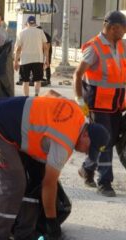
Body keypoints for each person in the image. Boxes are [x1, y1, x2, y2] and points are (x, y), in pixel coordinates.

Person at [0, 91, 110, 240]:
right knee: (15, 183)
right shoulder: (65, 142)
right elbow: (49, 185)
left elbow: (50, 93)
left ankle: (23, 232)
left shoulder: (76, 111)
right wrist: (52, 222)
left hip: (3, 111)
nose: (86, 153)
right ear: (86, 135)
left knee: (34, 180)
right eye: (89, 148)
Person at [73, 10, 126, 197]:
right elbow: (78, 74)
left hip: (116, 104)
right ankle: (105, 182)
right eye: (123, 29)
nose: (125, 33)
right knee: (105, 143)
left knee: (107, 141)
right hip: (98, 104)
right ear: (114, 28)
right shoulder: (93, 47)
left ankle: (87, 169)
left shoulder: (121, 45)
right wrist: (79, 101)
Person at [14, 16, 49, 97]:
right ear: (35, 23)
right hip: (38, 59)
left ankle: (26, 97)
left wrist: (15, 61)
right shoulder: (40, 32)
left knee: (25, 81)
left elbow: (18, 49)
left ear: (27, 23)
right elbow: (46, 47)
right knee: (37, 80)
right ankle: (36, 95)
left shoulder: (22, 33)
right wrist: (47, 59)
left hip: (25, 60)